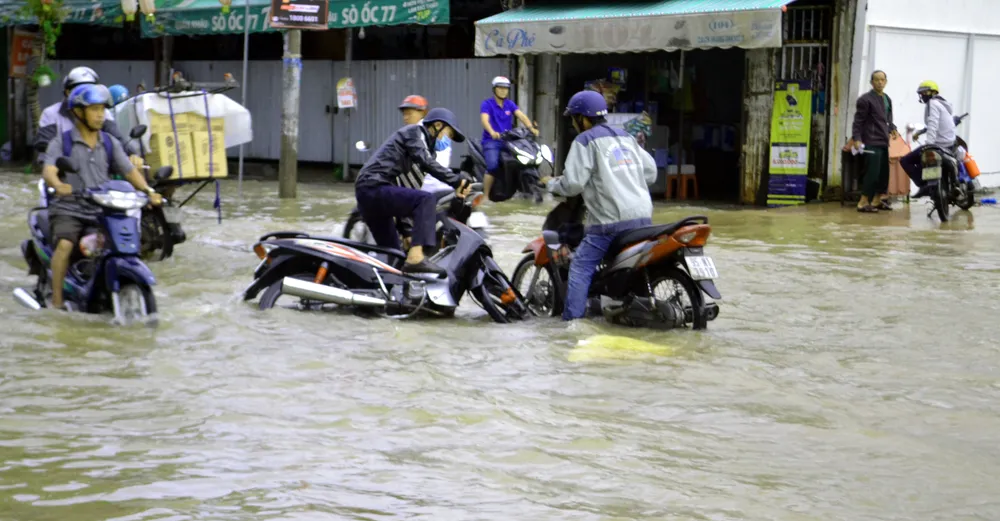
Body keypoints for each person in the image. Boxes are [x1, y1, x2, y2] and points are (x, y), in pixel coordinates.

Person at [41, 84, 163, 310]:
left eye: (102, 109)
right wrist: (58, 185)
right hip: (69, 208)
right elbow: (49, 171)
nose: (101, 115)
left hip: (101, 208)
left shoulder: (109, 142)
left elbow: (129, 171)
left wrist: (149, 191)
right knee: (66, 244)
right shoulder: (62, 141)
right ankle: (57, 303)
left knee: (123, 244)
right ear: (78, 112)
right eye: (94, 109)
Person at [538, 90, 657, 321]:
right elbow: (651, 173)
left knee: (580, 267)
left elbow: (573, 184)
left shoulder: (585, 140)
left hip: (609, 224)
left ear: (583, 119)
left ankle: (572, 325)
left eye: (574, 119)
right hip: (643, 219)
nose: (573, 125)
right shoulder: (626, 136)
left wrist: (551, 184)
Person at [354, 108, 472, 276]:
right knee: (426, 200)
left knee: (394, 256)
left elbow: (405, 189)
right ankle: (416, 258)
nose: (448, 140)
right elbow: (426, 162)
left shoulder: (424, 151)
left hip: (372, 194)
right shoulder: (414, 133)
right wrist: (456, 180)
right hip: (373, 186)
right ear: (438, 125)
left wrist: (408, 232)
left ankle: (380, 288)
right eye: (449, 134)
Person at [35, 67, 140, 166]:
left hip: (97, 164)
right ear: (68, 92)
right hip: (61, 168)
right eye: (80, 91)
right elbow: (44, 143)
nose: (99, 114)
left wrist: (132, 154)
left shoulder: (103, 112)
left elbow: (116, 137)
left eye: (91, 90)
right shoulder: (51, 113)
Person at [847, 70, 898, 213]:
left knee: (883, 174)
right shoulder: (865, 100)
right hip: (871, 141)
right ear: (871, 82)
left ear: (886, 82)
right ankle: (863, 202)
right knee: (872, 173)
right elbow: (858, 121)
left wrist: (892, 129)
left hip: (883, 141)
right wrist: (857, 139)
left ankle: (876, 201)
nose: (880, 82)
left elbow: (888, 120)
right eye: (877, 80)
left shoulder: (887, 99)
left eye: (882, 80)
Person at [480, 76, 538, 199]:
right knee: (492, 166)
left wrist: (531, 128)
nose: (503, 91)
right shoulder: (487, 104)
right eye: (500, 88)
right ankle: (485, 195)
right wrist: (492, 132)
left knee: (522, 161)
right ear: (494, 89)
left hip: (508, 141)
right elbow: (485, 120)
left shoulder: (509, 104)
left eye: (506, 88)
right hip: (492, 141)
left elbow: (521, 116)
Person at [900, 80, 956, 198]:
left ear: (933, 92)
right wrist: (920, 132)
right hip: (949, 144)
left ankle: (923, 185)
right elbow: (936, 123)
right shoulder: (942, 104)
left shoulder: (933, 103)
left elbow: (933, 124)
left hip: (938, 145)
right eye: (921, 93)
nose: (923, 95)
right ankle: (931, 183)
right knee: (921, 159)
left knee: (905, 161)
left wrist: (929, 145)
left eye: (925, 92)